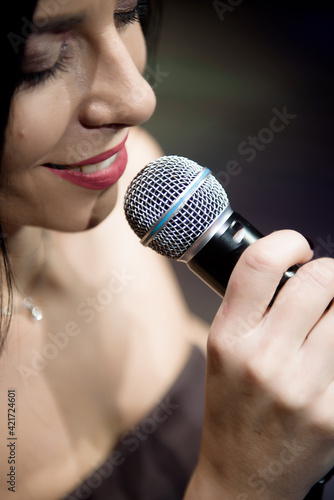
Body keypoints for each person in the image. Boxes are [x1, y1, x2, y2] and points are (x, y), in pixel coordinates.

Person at [0, 1, 333, 499]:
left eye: (127, 14)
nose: (139, 99)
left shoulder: (127, 185)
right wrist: (237, 485)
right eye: (41, 60)